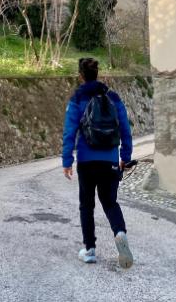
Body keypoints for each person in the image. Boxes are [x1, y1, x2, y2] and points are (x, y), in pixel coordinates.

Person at [62, 56, 134, 268]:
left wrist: (67, 160)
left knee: (87, 204)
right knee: (110, 202)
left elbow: (69, 132)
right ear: (98, 74)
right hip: (110, 159)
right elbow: (125, 129)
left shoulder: (77, 98)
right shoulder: (113, 97)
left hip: (86, 160)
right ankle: (120, 233)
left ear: (80, 76)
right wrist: (125, 157)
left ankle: (90, 250)